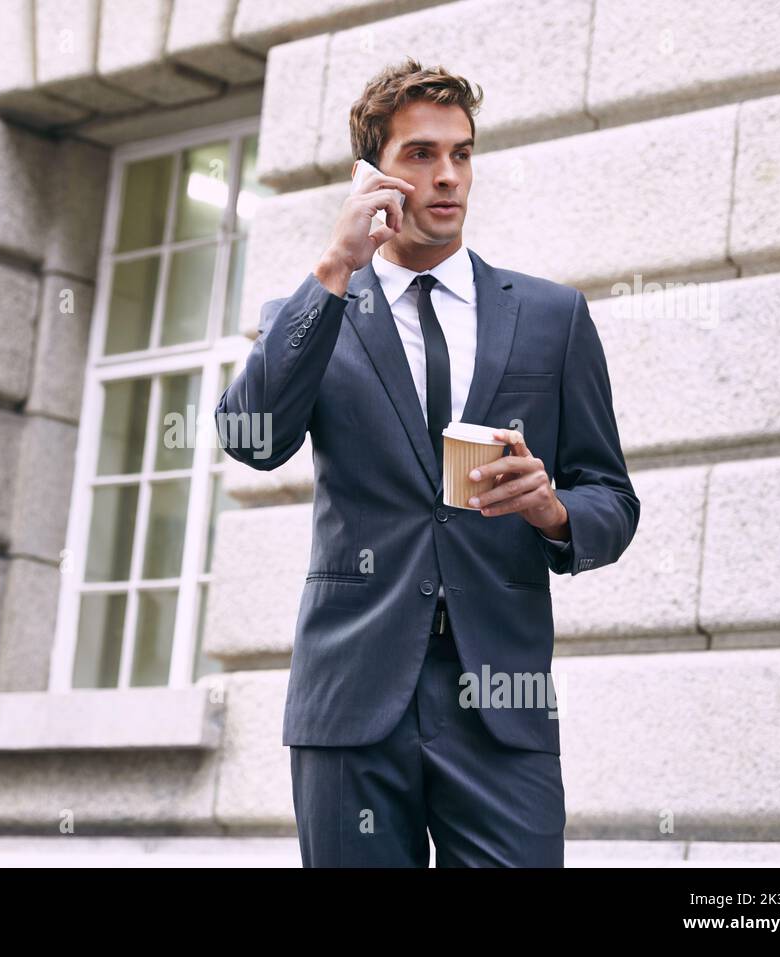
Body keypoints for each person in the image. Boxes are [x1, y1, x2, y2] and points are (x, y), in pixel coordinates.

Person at [214, 59, 640, 866]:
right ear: (370, 173)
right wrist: (334, 269)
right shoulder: (316, 312)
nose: (447, 177)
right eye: (419, 155)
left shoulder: (552, 317)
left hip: (499, 702)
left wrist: (552, 510)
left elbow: (612, 500)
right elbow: (252, 439)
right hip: (353, 700)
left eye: (462, 154)